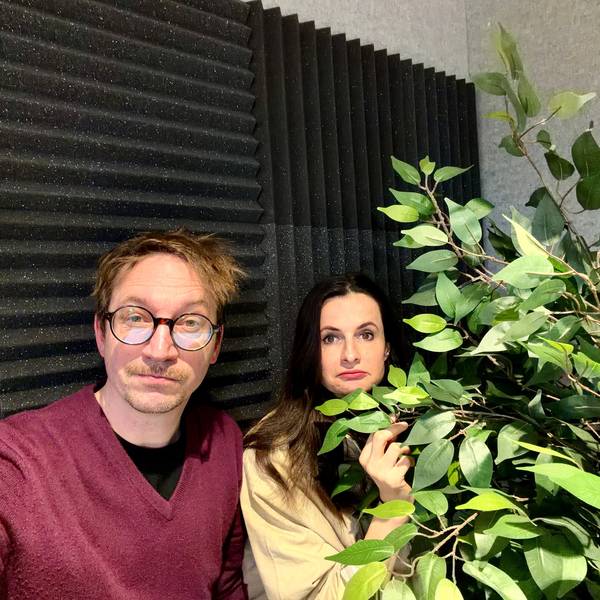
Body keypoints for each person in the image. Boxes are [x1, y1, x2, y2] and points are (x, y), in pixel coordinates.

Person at [0, 230, 248, 599]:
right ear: (101, 333)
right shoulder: (18, 460)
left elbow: (227, 588)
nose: (160, 351)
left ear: (215, 345)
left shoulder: (225, 442)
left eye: (190, 322)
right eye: (135, 318)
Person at [241, 273, 413, 600]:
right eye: (330, 338)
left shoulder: (422, 425)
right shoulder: (273, 457)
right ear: (311, 351)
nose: (350, 354)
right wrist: (393, 505)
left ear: (387, 348)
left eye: (366, 334)